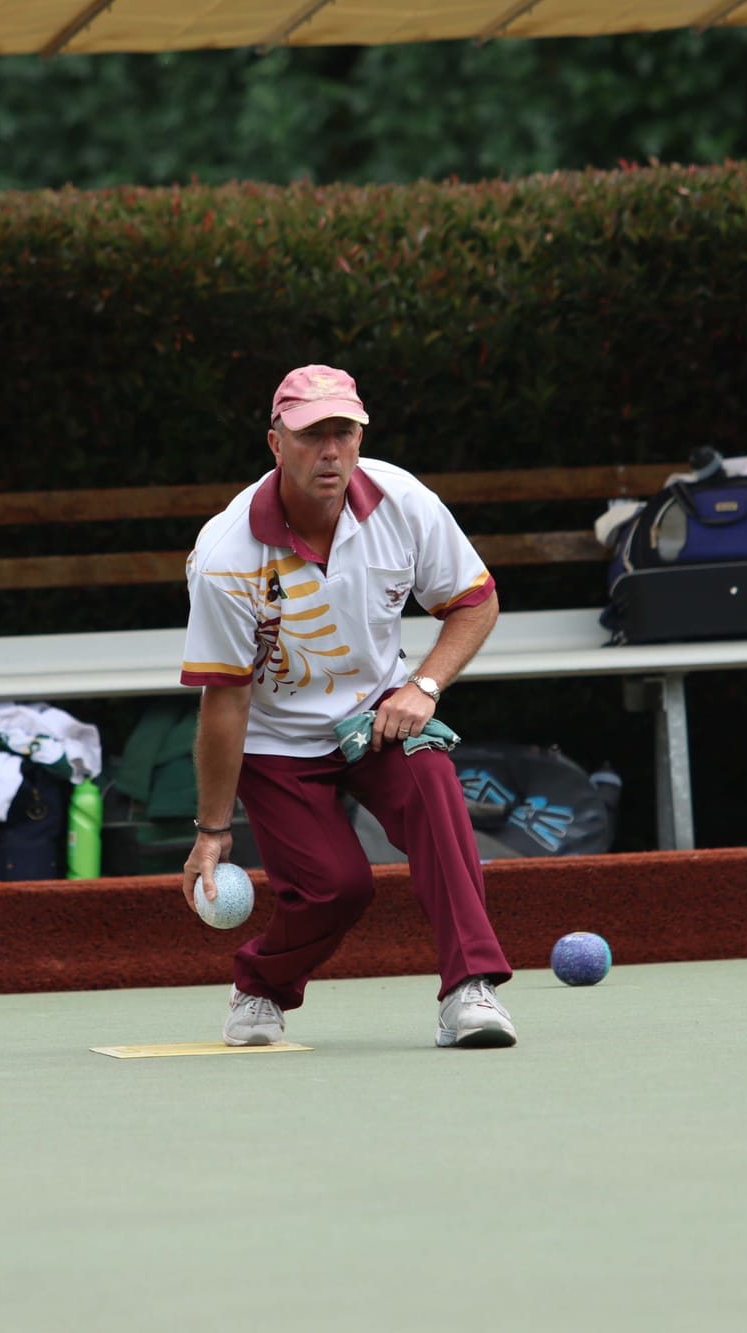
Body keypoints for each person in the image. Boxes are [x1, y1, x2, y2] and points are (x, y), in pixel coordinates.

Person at [179, 364, 517, 1050]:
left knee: (435, 789)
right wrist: (212, 830)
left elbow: (475, 603)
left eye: (344, 432)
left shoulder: (405, 502)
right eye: (311, 435)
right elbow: (226, 701)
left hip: (378, 716)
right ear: (276, 443)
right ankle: (260, 986)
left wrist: (423, 686)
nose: (329, 451)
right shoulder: (225, 556)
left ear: (362, 437)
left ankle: (470, 988)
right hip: (276, 741)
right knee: (337, 887)